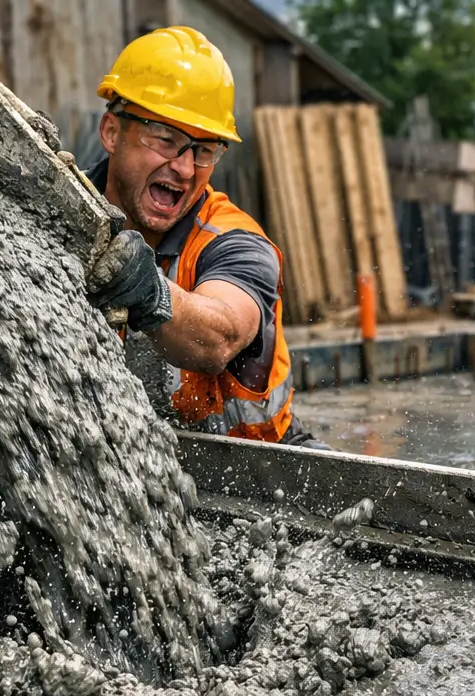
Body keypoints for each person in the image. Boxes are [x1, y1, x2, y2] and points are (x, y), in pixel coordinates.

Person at [83, 26, 324, 446]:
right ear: (111, 133)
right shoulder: (59, 220)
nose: (186, 168)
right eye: (166, 139)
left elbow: (220, 336)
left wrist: (147, 291)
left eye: (204, 149)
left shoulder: (236, 241)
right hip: (112, 464)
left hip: (266, 477)